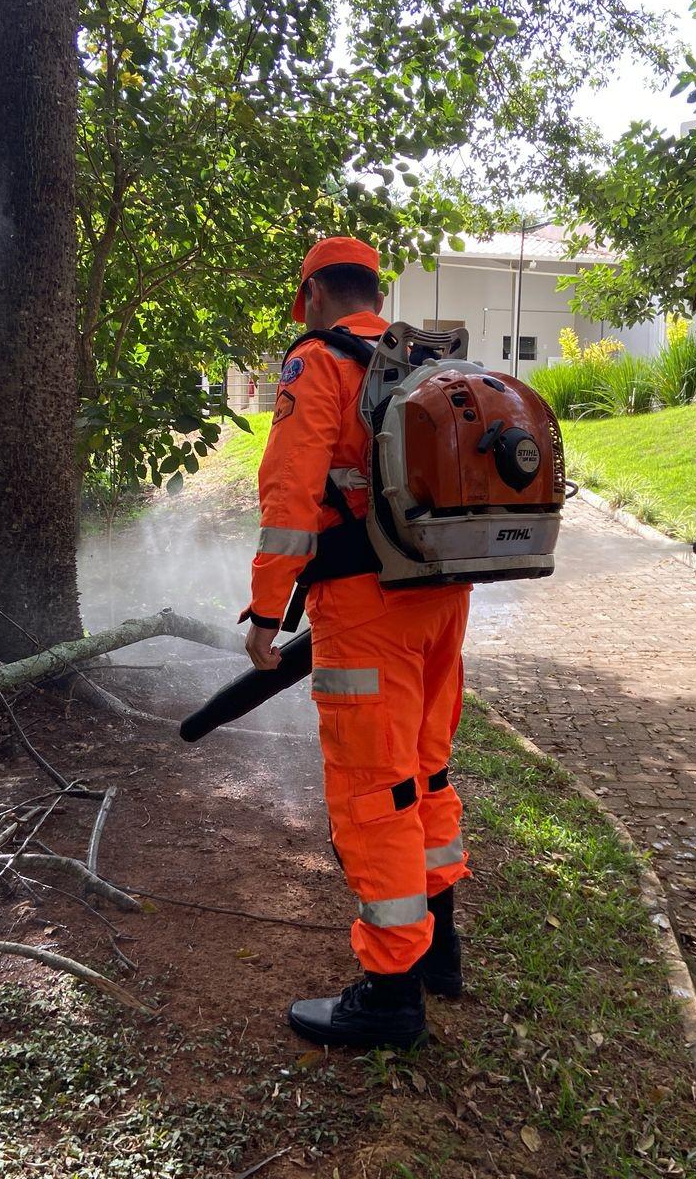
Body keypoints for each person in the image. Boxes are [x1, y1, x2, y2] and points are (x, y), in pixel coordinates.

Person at [241, 237, 470, 1048]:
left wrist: (267, 612)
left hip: (366, 607)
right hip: (443, 596)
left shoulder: (318, 362)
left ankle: (390, 995)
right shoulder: (423, 363)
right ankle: (439, 950)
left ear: (312, 296)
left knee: (375, 792)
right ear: (375, 293)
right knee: (426, 769)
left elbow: (290, 495)